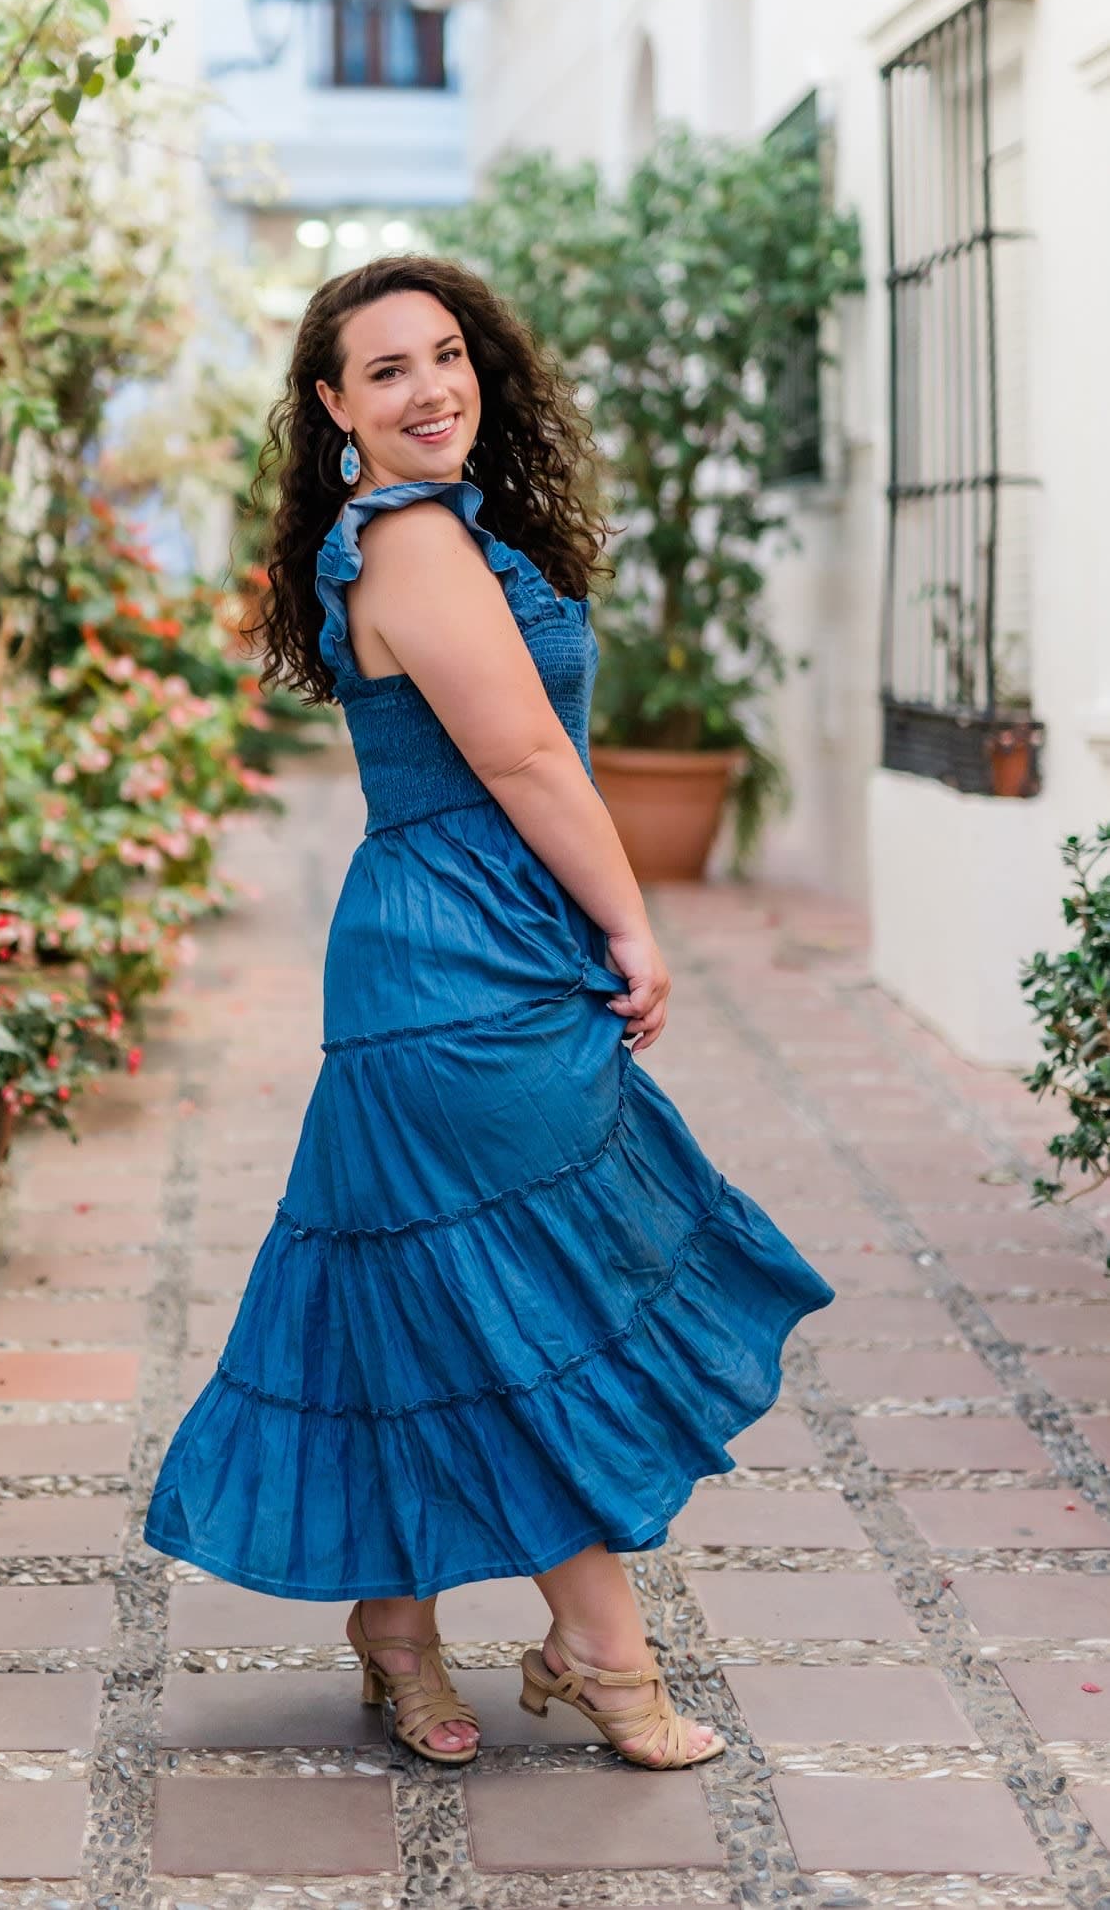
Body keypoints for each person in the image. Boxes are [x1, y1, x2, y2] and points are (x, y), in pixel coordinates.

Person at [144, 256, 833, 1770]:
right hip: (462, 971)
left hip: (450, 948)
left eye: (446, 355)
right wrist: (635, 920)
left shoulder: (424, 534)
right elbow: (524, 758)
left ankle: (395, 1628)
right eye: (385, 370)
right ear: (333, 408)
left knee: (403, 1286)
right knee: (529, 1293)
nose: (429, 388)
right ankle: (602, 1650)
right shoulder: (407, 546)